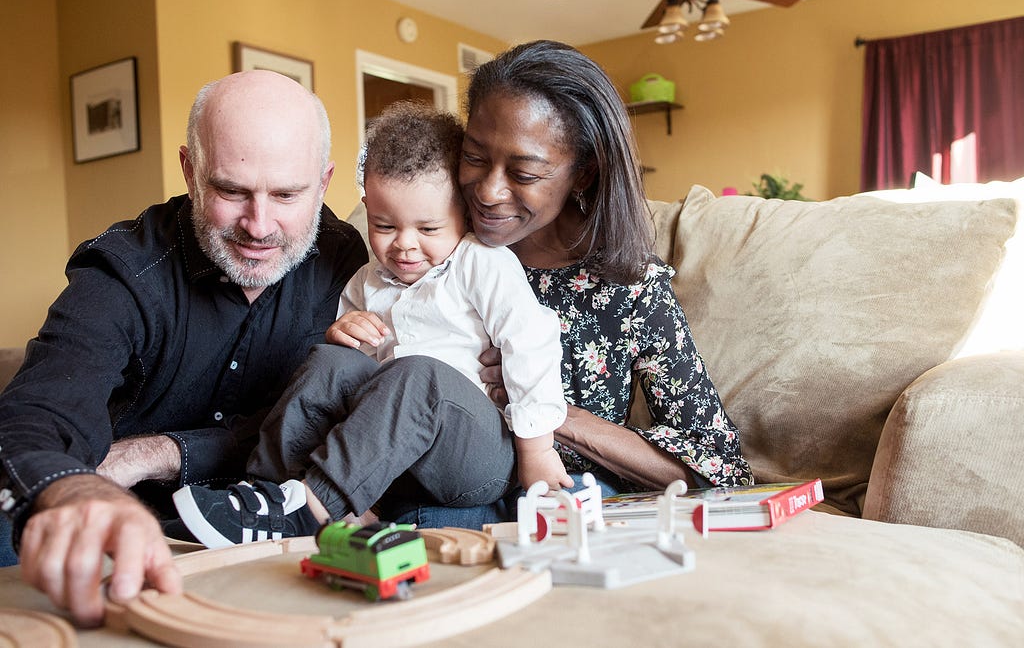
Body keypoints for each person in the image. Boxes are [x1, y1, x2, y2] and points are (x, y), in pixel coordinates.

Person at [0, 69, 367, 626]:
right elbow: (36, 412)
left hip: (279, 515)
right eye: (231, 191)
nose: (259, 225)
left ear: (323, 183)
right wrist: (71, 489)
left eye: (288, 194)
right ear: (190, 172)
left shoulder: (348, 261)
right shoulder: (125, 271)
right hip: (133, 526)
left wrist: (162, 452)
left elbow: (345, 413)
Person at [171, 102, 572, 549]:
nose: (404, 245)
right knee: (330, 362)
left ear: (463, 212)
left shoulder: (482, 264)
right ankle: (264, 496)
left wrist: (537, 451)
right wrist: (344, 336)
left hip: (474, 459)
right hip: (392, 460)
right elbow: (354, 378)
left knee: (419, 375)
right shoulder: (367, 280)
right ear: (367, 207)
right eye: (384, 225)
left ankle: (314, 508)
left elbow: (531, 343)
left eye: (428, 228)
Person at [458, 39, 753, 500]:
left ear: (584, 172)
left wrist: (549, 409)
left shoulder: (627, 286)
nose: (489, 191)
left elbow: (720, 471)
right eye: (474, 157)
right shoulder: (429, 244)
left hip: (558, 502)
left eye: (525, 174)